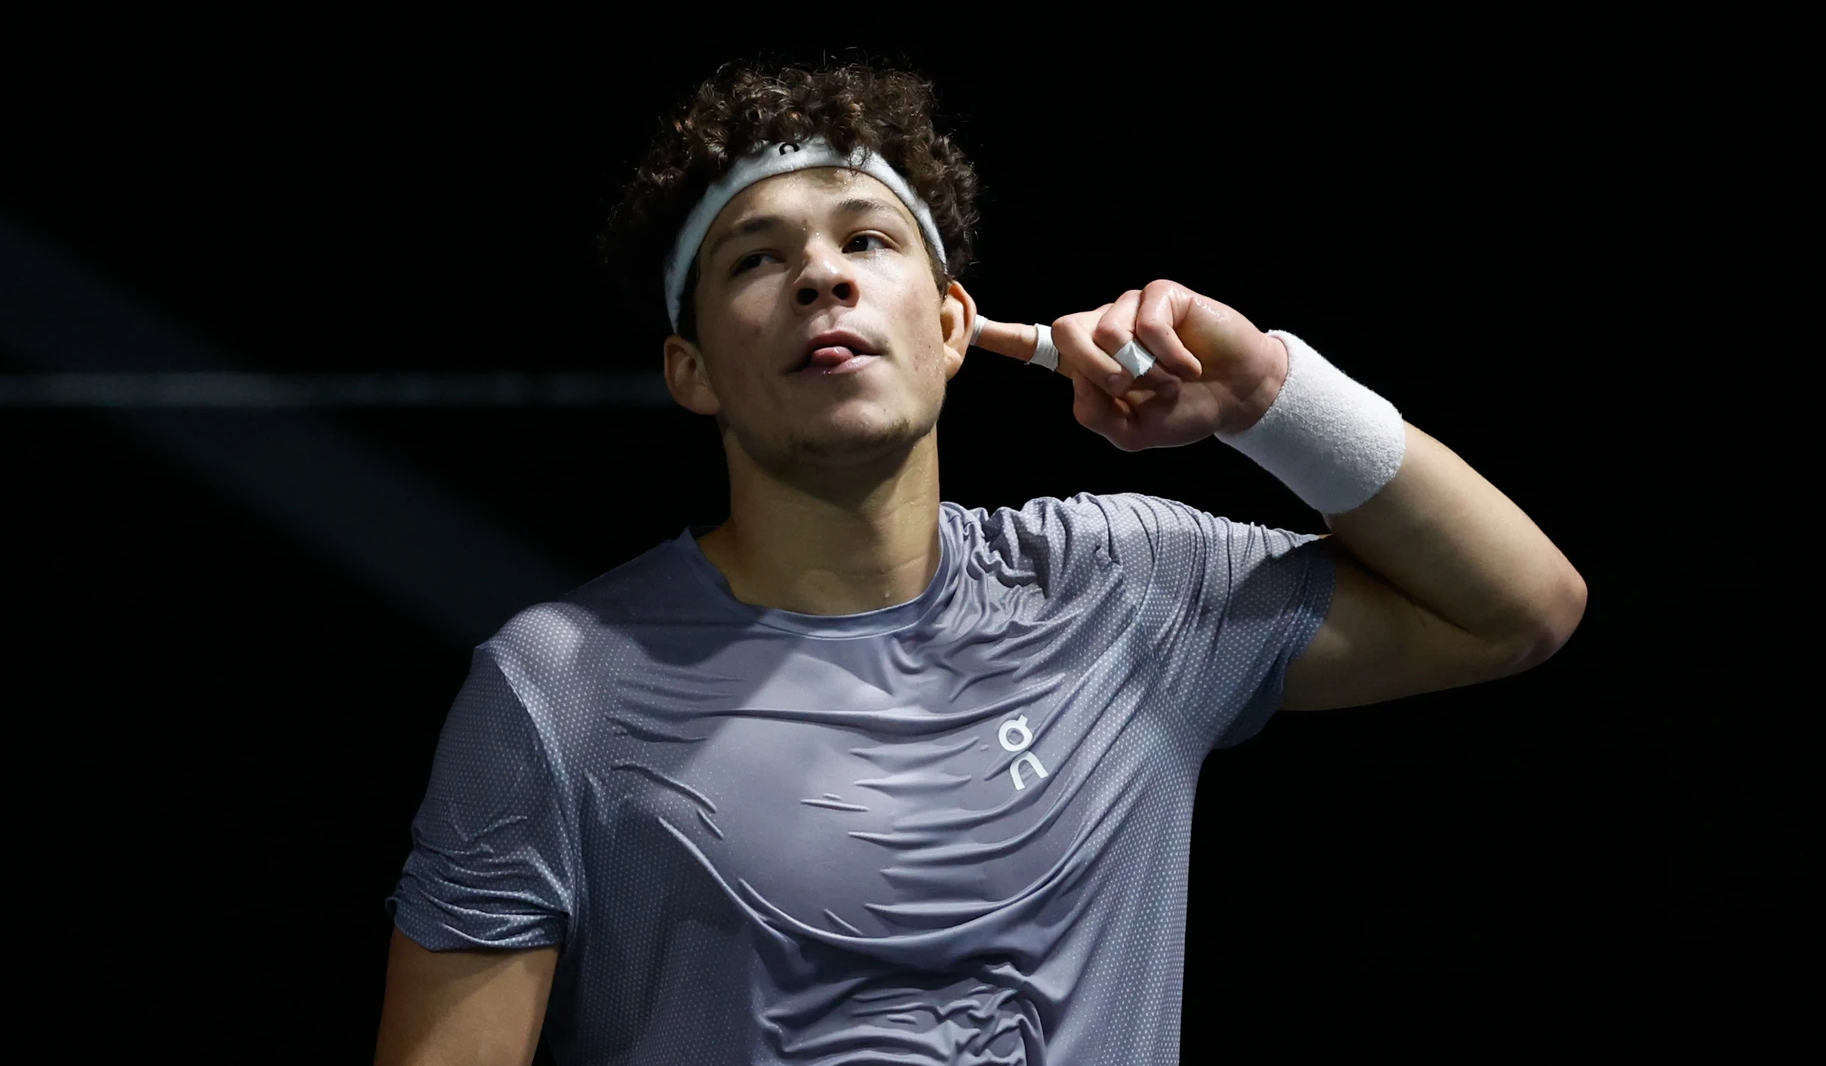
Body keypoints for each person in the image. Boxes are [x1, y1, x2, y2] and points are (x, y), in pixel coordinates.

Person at [374, 61, 1586, 1065]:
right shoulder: (559, 688)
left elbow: (1519, 608)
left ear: (953, 324)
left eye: (867, 238)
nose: (822, 274)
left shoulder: (1123, 590)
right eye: (754, 259)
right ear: (690, 370)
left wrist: (1271, 396)